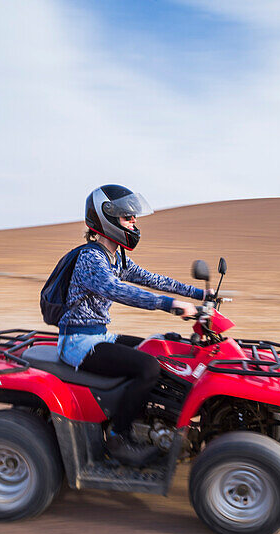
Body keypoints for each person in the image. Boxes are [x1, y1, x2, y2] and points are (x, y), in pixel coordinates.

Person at [57, 184, 204, 466]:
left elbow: (151, 279)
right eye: (128, 217)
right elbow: (119, 291)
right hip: (79, 343)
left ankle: (151, 424)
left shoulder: (116, 256)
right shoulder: (91, 259)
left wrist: (198, 294)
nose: (133, 222)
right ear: (107, 219)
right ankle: (118, 437)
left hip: (99, 336)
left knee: (162, 348)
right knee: (147, 367)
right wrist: (169, 305)